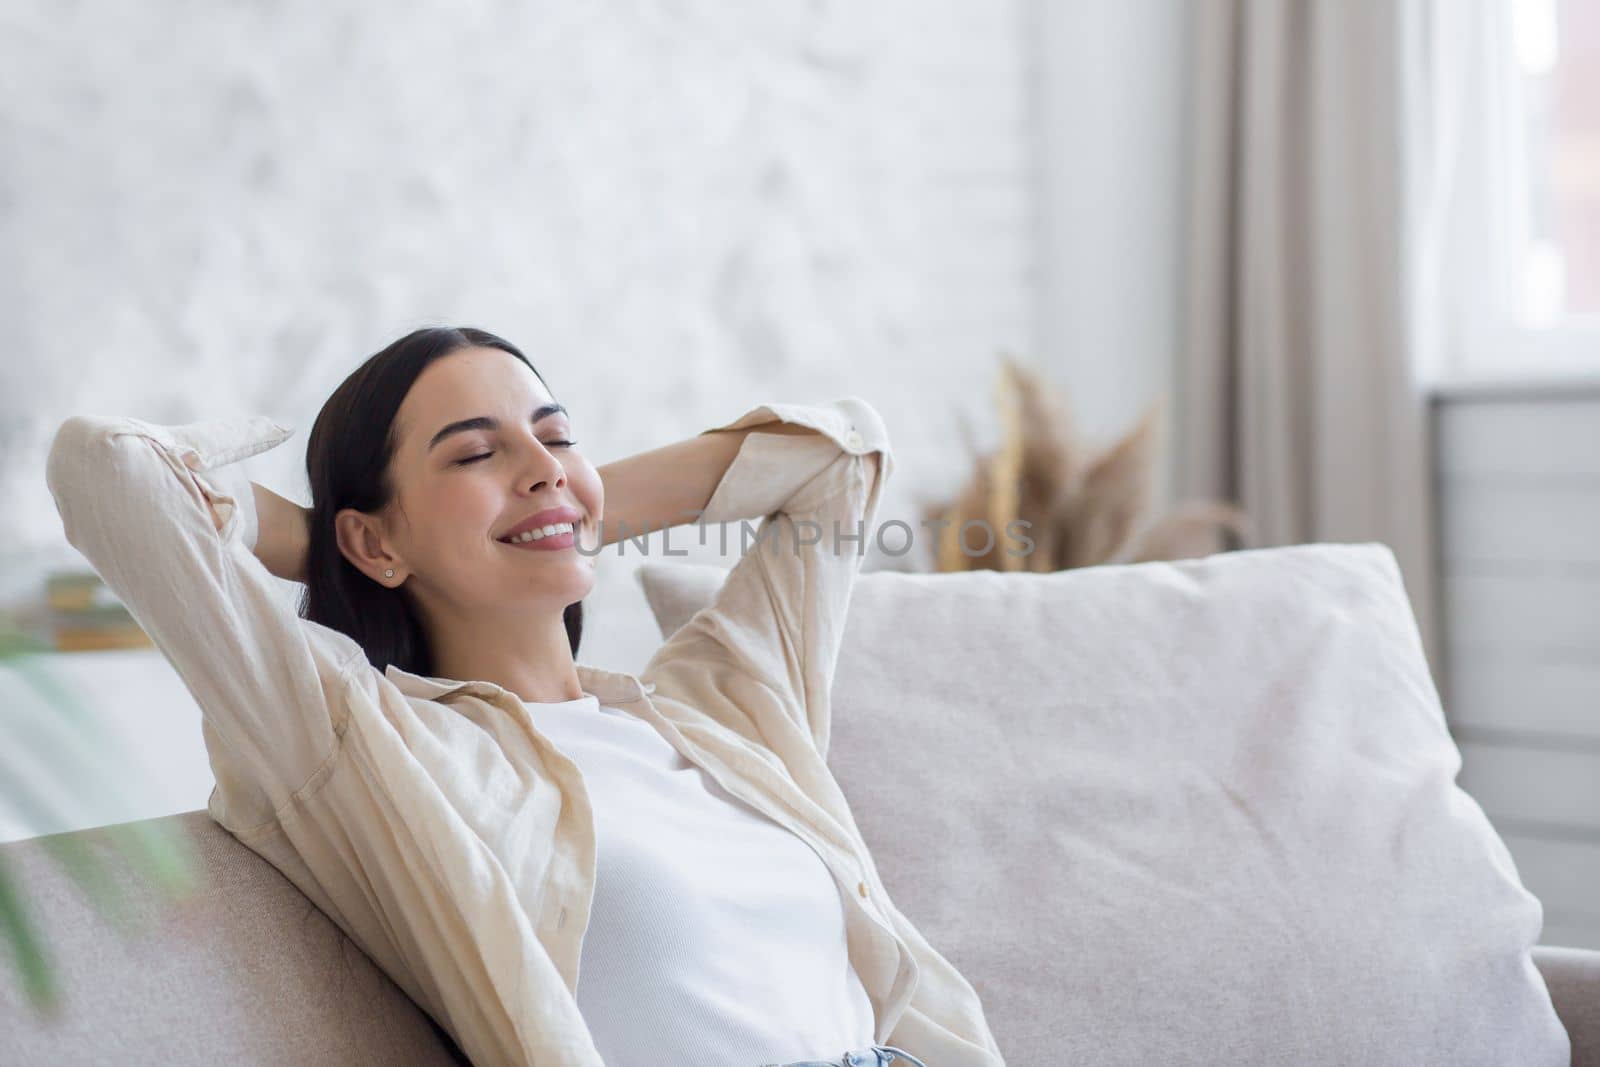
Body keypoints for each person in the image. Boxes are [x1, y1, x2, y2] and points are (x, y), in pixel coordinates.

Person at [44, 325, 1004, 1066]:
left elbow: (841, 459)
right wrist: (363, 544)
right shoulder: (362, 744)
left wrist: (558, 505)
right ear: (371, 541)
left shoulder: (727, 705)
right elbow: (110, 470)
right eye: (472, 453)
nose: (540, 462)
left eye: (556, 436)